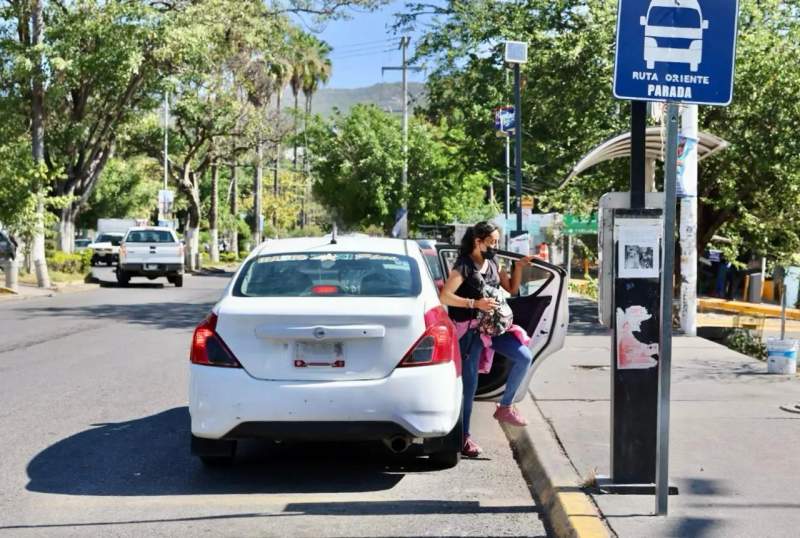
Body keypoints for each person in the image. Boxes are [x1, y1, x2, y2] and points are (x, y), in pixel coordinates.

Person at [439, 221, 537, 458]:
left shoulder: (494, 262)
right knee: (469, 386)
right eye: (492, 241)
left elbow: (511, 289)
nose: (495, 245)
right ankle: (463, 437)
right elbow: (446, 296)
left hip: (492, 328)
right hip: (470, 332)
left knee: (524, 356)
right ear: (477, 241)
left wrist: (520, 267)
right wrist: (475, 304)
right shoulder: (463, 266)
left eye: (497, 241)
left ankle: (505, 407)